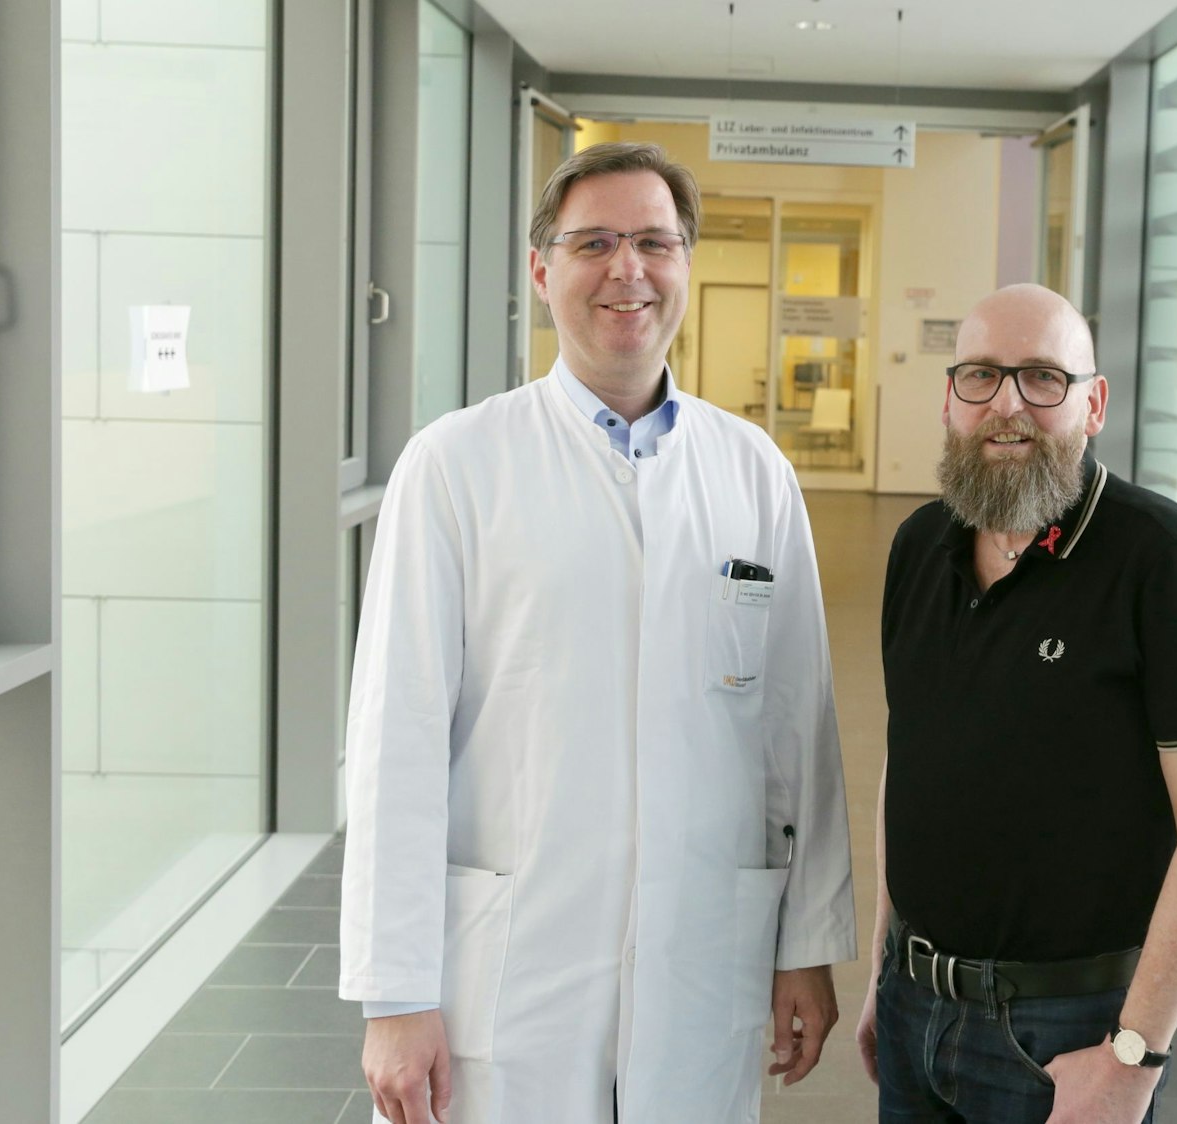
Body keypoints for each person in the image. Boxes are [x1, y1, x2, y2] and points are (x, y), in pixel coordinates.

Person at [341, 142, 856, 1124]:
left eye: (655, 242)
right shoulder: (455, 465)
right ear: (542, 271)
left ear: (686, 264)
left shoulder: (754, 471)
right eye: (596, 243)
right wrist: (395, 993)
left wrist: (805, 944)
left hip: (701, 948)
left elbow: (799, 732)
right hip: (514, 958)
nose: (630, 269)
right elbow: (396, 741)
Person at [856, 284, 1177, 1123]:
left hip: (1067, 1033)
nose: (1007, 405)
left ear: (1094, 403)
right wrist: (883, 970)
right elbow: (913, 761)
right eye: (981, 376)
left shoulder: (1164, 560)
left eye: (1043, 377)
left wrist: (1135, 1055)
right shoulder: (919, 545)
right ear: (950, 399)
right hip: (913, 1004)